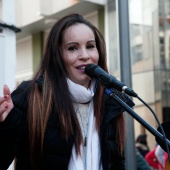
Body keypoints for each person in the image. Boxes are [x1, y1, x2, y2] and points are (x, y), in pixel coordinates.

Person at [0, 13, 134, 170]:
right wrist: (5, 126)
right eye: (72, 48)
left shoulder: (112, 101)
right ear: (57, 56)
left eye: (90, 46)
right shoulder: (30, 96)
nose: (84, 56)